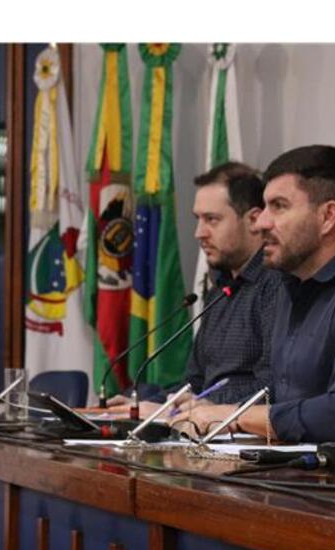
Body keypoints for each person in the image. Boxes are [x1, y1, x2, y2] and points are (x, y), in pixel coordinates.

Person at [173, 145, 335, 443]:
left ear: (328, 216)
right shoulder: (291, 289)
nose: (262, 222)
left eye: (278, 206)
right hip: (283, 474)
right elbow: (273, 395)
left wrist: (234, 417)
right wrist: (205, 416)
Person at [101, 161, 280, 415]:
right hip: (198, 426)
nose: (199, 233)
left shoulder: (276, 284)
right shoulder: (219, 286)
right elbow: (195, 381)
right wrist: (153, 404)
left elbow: (270, 388)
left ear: (253, 220)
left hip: (242, 435)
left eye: (212, 220)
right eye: (198, 219)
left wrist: (193, 406)